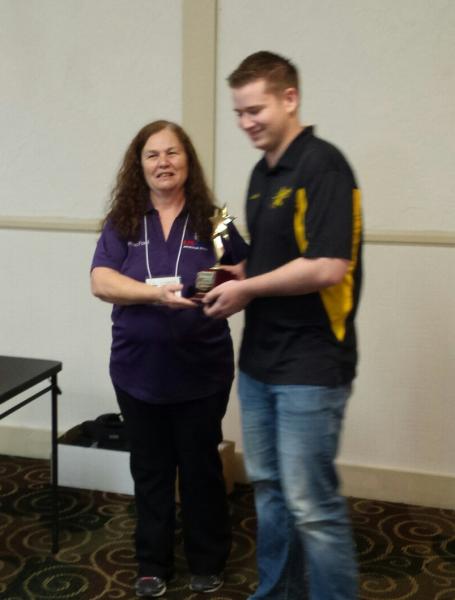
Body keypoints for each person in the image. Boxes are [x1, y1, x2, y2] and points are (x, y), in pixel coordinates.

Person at [204, 51, 362, 600]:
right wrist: (237, 276)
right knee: (270, 493)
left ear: (289, 99)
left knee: (312, 507)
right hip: (259, 362)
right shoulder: (260, 173)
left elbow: (327, 266)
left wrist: (247, 289)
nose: (246, 123)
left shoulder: (324, 165)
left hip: (312, 366)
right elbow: (273, 263)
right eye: (239, 113)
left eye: (255, 110)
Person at [90, 120, 248, 598]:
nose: (164, 163)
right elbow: (101, 280)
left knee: (200, 468)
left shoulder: (214, 219)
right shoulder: (123, 219)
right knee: (151, 469)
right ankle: (152, 562)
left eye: (173, 153)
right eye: (153, 155)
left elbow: (242, 271)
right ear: (139, 166)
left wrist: (219, 289)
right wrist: (155, 295)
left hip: (202, 370)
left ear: (187, 161)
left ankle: (207, 559)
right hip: (137, 371)